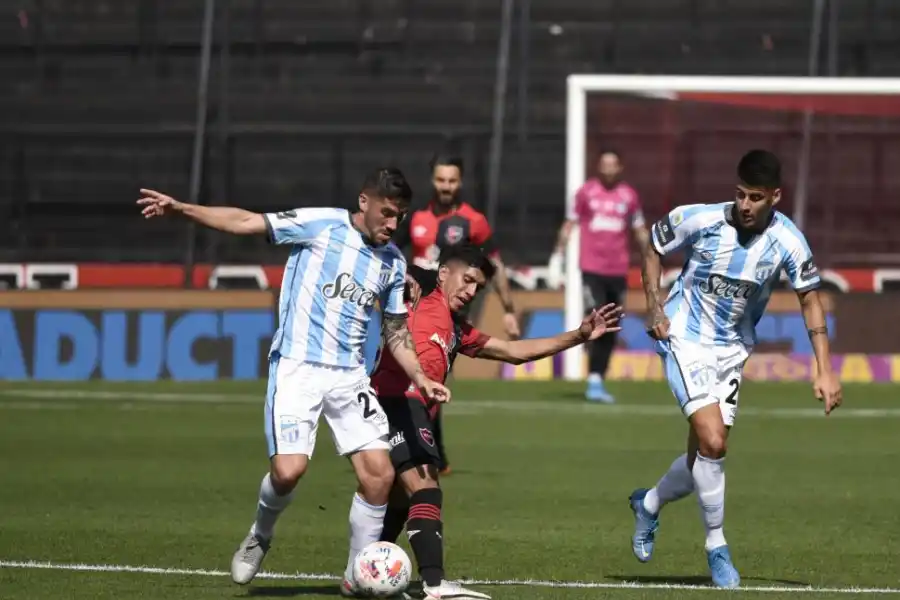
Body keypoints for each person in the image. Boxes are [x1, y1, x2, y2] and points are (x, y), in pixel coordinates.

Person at [136, 168, 451, 590]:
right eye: (388, 213)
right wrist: (182, 210)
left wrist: (420, 378)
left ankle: (356, 574)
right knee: (288, 472)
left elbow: (395, 330)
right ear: (364, 203)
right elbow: (248, 221)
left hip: (349, 377)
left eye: (401, 215)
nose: (394, 224)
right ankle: (260, 535)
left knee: (379, 475)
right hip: (298, 367)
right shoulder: (321, 224)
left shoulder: (393, 261)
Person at [628, 149, 842, 588]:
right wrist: (653, 308)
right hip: (683, 338)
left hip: (732, 351)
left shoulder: (788, 241)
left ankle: (648, 504)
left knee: (702, 458)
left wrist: (824, 369)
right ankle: (717, 547)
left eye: (756, 198)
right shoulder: (699, 219)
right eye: (741, 195)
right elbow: (652, 245)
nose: (745, 205)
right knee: (714, 440)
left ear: (775, 197)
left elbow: (809, 298)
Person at [358, 245, 622, 599]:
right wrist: (407, 276)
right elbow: (394, 271)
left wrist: (577, 336)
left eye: (477, 287)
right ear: (442, 275)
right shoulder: (416, 296)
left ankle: (363, 574)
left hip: (406, 405)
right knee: (425, 488)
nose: (470, 291)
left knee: (402, 500)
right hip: (396, 400)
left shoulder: (457, 330)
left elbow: (514, 352)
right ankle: (434, 585)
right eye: (466, 280)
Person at [393, 152, 521, 475]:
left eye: (451, 180)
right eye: (440, 179)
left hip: (449, 309)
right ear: (432, 180)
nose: (446, 186)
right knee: (418, 370)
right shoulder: (417, 219)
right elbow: (392, 253)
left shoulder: (473, 221)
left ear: (460, 181)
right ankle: (422, 449)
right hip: (416, 306)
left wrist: (508, 309)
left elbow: (495, 264)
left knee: (432, 370)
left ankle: (425, 449)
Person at [551, 149, 649, 404]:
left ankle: (596, 379)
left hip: (617, 270)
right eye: (603, 163)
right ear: (598, 166)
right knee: (597, 316)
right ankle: (587, 338)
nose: (607, 168)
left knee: (611, 328)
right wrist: (557, 255)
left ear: (620, 167)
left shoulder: (629, 196)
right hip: (592, 268)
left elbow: (639, 229)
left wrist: (650, 255)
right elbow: (569, 223)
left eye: (612, 164)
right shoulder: (586, 193)